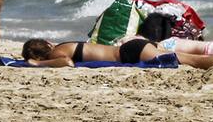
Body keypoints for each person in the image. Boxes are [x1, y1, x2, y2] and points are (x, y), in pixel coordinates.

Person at [20, 37, 213, 69]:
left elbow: (66, 63)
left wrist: (39, 64)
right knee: (190, 59)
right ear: (46, 43)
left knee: (193, 61)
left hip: (130, 53)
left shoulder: (58, 52)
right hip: (134, 47)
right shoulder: (64, 44)